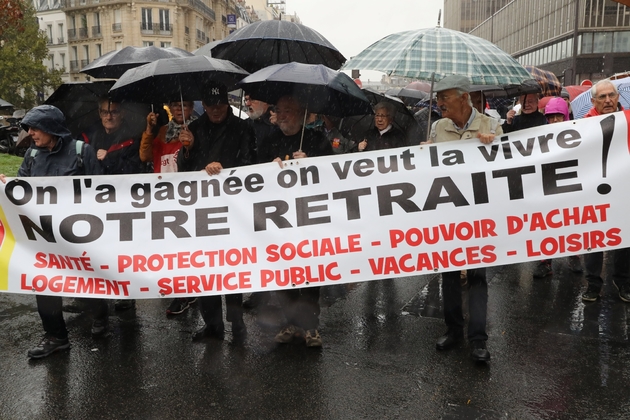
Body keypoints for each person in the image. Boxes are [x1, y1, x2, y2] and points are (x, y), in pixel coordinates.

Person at [0, 105, 108, 358]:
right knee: (46, 284)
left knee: (88, 281)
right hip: (44, 236)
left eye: (36, 128)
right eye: (30, 128)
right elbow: (21, 190)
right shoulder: (32, 155)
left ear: (51, 128)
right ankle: (56, 336)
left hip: (79, 235)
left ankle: (101, 315)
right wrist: (6, 186)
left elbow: (103, 192)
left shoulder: (82, 152)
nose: (31, 133)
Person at [426, 75, 500, 363]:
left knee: (478, 276)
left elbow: (511, 164)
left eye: (444, 97)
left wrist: (493, 144)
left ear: (464, 98)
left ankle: (478, 339)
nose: (439, 102)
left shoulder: (490, 125)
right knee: (449, 274)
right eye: (439, 98)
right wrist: (424, 151)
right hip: (449, 212)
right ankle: (454, 329)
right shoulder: (438, 126)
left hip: (479, 212)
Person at [178, 83, 256, 342]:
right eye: (210, 105)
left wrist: (225, 169)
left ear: (227, 104)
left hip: (233, 207)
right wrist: (187, 149)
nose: (215, 110)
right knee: (206, 267)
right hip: (201, 208)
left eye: (219, 105)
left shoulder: (243, 128)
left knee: (231, 267)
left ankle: (237, 324)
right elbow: (183, 171)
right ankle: (212, 324)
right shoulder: (195, 130)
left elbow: (250, 163)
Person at [258, 95, 333, 348]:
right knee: (285, 274)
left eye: (288, 111)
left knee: (311, 275)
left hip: (308, 218)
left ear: (301, 114)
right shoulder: (269, 141)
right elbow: (252, 174)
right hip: (279, 221)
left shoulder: (316, 141)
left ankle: (311, 326)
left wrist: (311, 164)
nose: (282, 115)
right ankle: (290, 323)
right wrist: (268, 169)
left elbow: (334, 173)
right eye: (279, 110)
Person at [82, 97, 146, 311]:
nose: (109, 116)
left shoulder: (133, 136)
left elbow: (135, 168)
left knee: (123, 251)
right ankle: (102, 289)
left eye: (114, 112)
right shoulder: (90, 135)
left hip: (124, 202)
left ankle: (126, 293)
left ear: (123, 114)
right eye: (104, 112)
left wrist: (108, 158)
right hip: (97, 203)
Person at [141, 100, 198, 315]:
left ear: (191, 108)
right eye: (175, 106)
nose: (180, 109)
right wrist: (149, 130)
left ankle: (186, 292)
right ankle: (180, 289)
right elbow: (145, 156)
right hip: (164, 196)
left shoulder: (198, 128)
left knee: (187, 247)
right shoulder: (163, 131)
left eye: (184, 105)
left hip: (189, 197)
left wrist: (190, 145)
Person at [580, 79, 630, 303]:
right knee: (593, 238)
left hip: (624, 190)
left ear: (618, 97)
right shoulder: (581, 126)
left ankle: (622, 280)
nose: (608, 100)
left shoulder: (628, 120)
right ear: (593, 101)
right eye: (602, 97)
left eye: (611, 95)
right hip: (593, 191)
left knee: (625, 238)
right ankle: (593, 283)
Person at [530, 98, 582, 277]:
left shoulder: (578, 132)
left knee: (570, 220)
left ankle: (574, 254)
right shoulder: (540, 135)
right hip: (547, 186)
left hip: (570, 186)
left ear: (565, 115)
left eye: (558, 117)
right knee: (547, 223)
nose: (554, 121)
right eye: (550, 117)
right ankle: (545, 261)